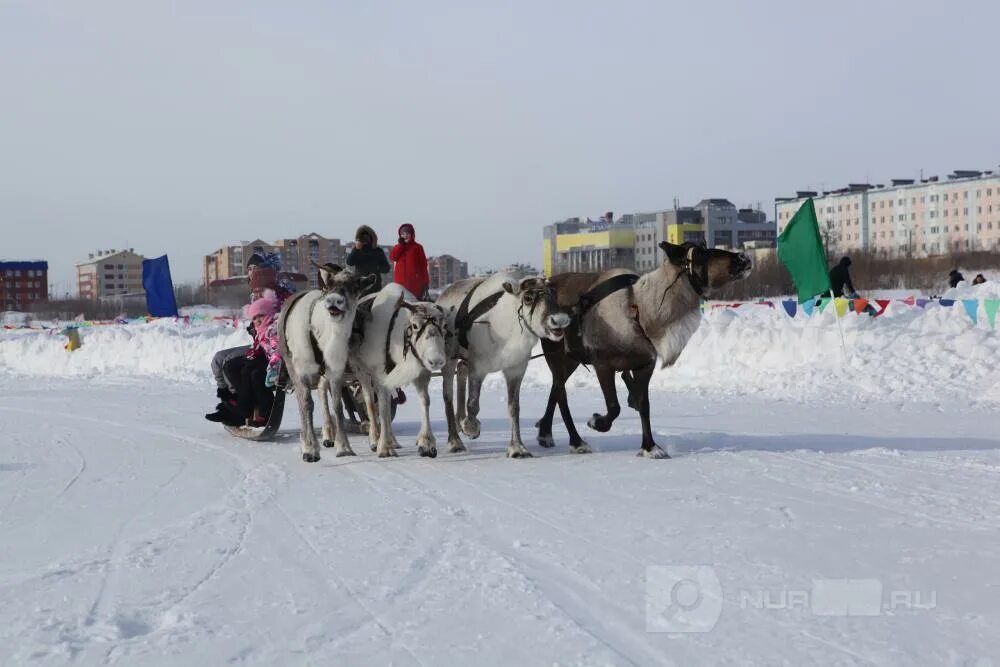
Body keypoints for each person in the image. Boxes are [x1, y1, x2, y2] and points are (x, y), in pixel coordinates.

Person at [209, 294, 282, 427]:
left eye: (260, 316)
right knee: (224, 362)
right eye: (254, 318)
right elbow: (258, 343)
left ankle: (243, 409)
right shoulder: (260, 323)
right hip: (261, 351)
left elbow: (274, 348)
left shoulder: (273, 326)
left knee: (246, 370)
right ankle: (231, 403)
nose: (257, 320)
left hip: (269, 357)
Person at [345, 225, 390, 296]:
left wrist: (376, 268)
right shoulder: (357, 250)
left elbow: (386, 269)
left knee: (375, 306)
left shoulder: (378, 251)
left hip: (375, 287)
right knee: (358, 306)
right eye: (361, 239)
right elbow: (349, 262)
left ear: (371, 238)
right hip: (359, 286)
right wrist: (356, 249)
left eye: (366, 238)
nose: (364, 241)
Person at [389, 223, 430, 299]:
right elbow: (393, 257)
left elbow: (423, 266)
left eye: (407, 233)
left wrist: (425, 283)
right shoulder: (397, 247)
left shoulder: (418, 247)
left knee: (414, 305)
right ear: (400, 235)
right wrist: (401, 245)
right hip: (400, 284)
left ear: (412, 234)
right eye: (403, 234)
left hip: (414, 284)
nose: (405, 236)